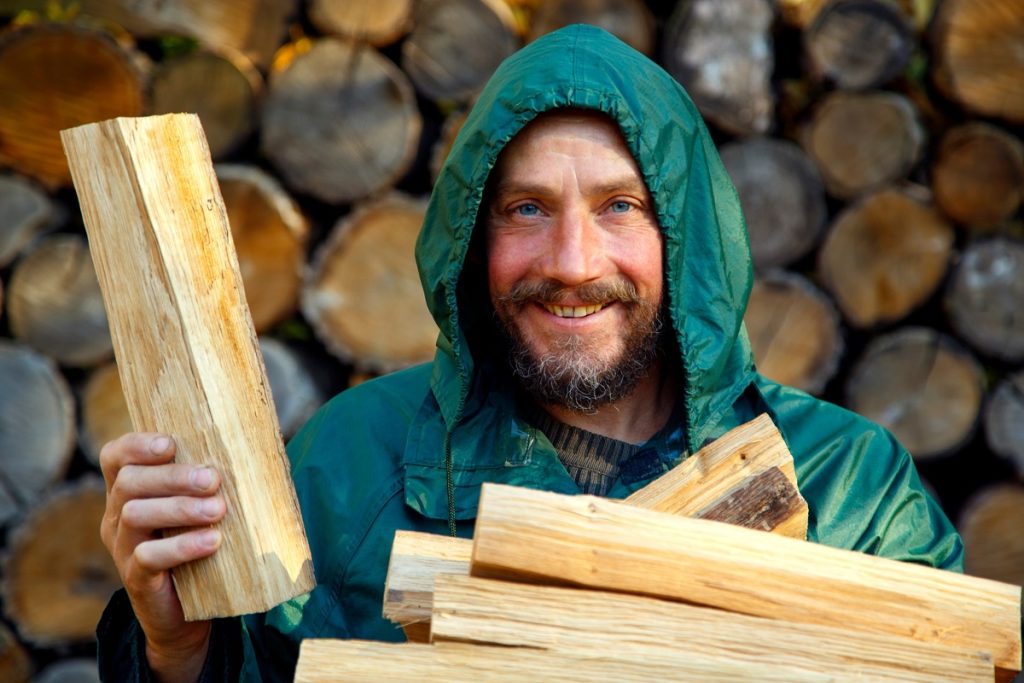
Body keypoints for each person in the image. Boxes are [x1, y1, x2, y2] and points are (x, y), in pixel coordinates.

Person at [95, 25, 962, 682]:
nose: (573, 264)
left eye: (621, 206)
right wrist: (176, 644)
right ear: (474, 237)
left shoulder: (850, 489)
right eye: (527, 210)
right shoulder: (347, 465)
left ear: (685, 234)